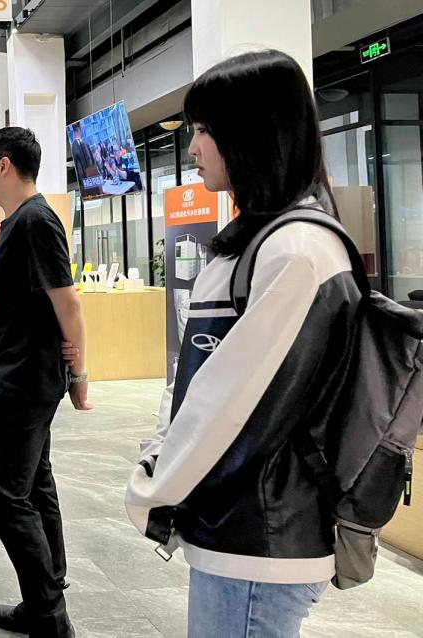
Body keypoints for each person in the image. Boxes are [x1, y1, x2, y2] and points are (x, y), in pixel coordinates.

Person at [124, 50, 359, 637]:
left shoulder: (294, 252)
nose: (193, 147)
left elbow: (229, 406)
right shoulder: (260, 241)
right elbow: (197, 380)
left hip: (260, 538)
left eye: (204, 129)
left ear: (252, 133)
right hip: (237, 530)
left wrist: (154, 486)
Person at [0, 126, 93, 637]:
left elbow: (69, 304)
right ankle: (44, 596)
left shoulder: (35, 221)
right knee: (33, 484)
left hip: (21, 381)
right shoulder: (20, 221)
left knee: (6, 496)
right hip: (17, 374)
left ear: (3, 165)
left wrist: (80, 374)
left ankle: (48, 614)